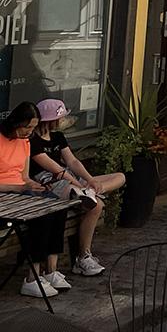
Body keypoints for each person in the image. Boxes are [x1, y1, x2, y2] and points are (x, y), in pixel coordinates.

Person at [28, 99, 124, 277]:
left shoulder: (58, 137)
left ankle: (89, 192)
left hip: (73, 181)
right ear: (51, 120)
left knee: (119, 177)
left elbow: (72, 161)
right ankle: (83, 256)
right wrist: (79, 184)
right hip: (51, 182)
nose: (64, 121)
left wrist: (90, 181)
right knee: (97, 205)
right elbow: (55, 169)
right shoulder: (33, 140)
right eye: (61, 118)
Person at [0, 102, 70, 298]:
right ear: (16, 123)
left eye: (33, 128)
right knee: (42, 215)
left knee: (58, 206)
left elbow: (24, 176)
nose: (30, 132)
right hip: (5, 193)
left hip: (21, 189)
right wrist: (18, 188)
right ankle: (33, 277)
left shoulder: (26, 141)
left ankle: (51, 269)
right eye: (27, 127)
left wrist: (34, 185)